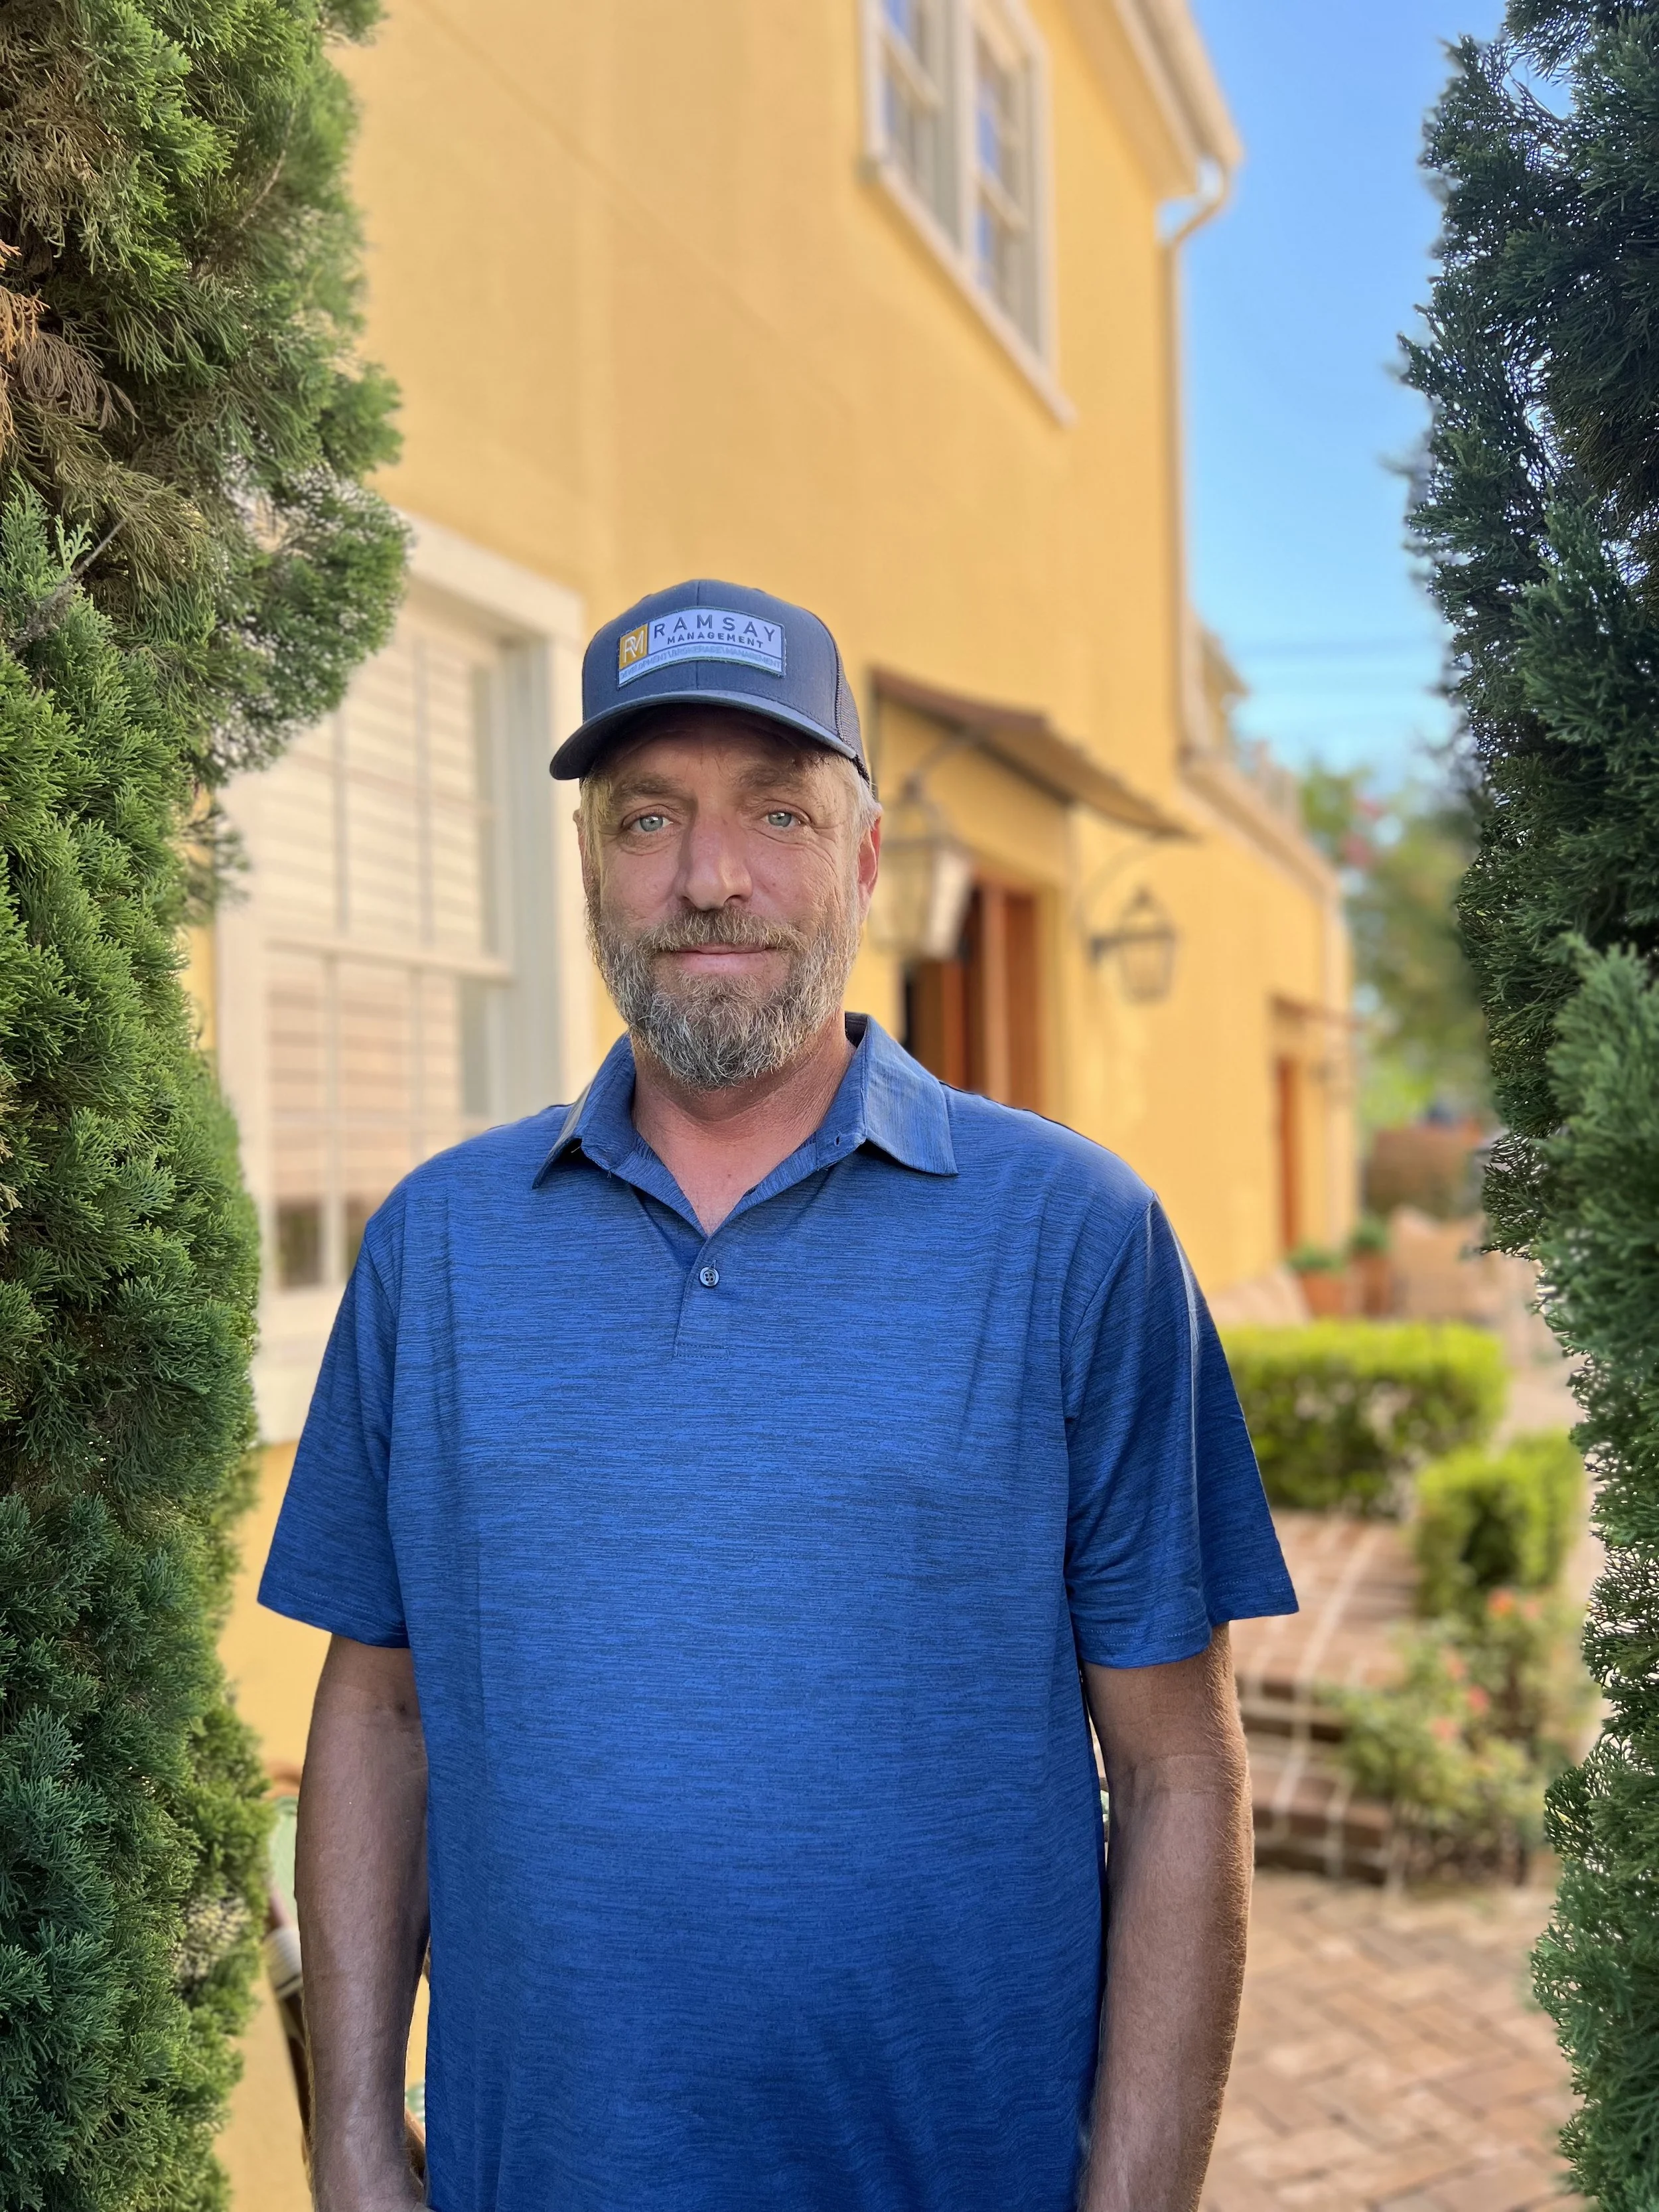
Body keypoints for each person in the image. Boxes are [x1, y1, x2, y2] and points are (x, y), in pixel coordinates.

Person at [260, 579, 1297, 2212]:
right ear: (591, 863)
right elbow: (377, 1714)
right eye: (647, 816)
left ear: (866, 859)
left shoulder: (1074, 1238)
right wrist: (352, 2151)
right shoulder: (437, 1251)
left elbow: (1176, 1769)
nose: (710, 875)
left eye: (777, 811)